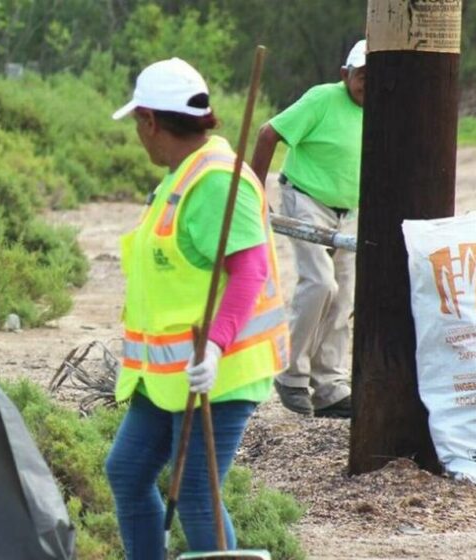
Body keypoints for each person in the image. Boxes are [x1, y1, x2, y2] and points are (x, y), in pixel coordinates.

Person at [104, 57, 289, 559]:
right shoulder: (180, 176)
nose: (139, 137)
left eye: (138, 126)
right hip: (166, 375)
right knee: (126, 471)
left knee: (196, 497)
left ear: (150, 121)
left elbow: (248, 270)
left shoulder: (214, 182)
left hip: (219, 370)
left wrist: (214, 344)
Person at [250, 40, 367, 419]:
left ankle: (330, 384)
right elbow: (269, 133)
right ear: (345, 75)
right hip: (306, 199)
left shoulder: (387, 108)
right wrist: (254, 192)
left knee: (344, 295)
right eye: (362, 75)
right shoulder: (322, 99)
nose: (369, 83)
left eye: (376, 76)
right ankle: (291, 374)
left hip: (348, 210)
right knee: (321, 283)